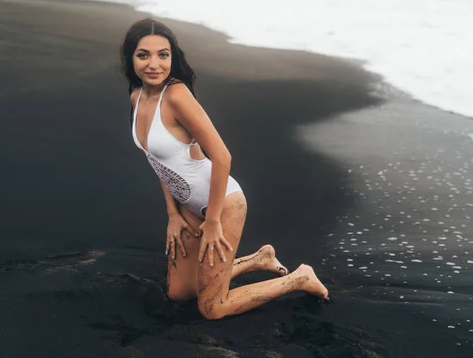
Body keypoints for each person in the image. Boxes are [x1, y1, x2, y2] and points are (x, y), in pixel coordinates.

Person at [120, 18, 329, 320]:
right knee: (180, 294)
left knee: (212, 308)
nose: (154, 64)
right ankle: (260, 259)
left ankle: (299, 278)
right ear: (130, 58)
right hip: (188, 205)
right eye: (144, 55)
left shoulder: (176, 96)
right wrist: (173, 215)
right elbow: (159, 162)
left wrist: (214, 220)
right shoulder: (137, 97)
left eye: (163, 55)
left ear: (172, 58)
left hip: (222, 203)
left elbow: (222, 156)